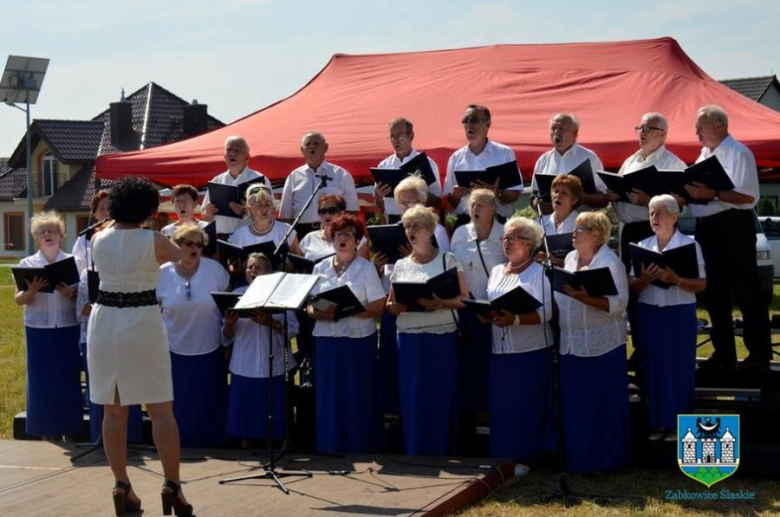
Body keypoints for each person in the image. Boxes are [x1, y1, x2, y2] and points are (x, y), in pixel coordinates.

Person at [86, 177, 192, 516]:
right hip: (141, 320)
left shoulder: (97, 238)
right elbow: (184, 259)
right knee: (160, 409)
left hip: (104, 321)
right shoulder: (154, 239)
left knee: (114, 410)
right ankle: (172, 485)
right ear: (147, 209)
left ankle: (121, 484)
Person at [685, 105, 772, 371]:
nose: (696, 131)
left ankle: (759, 354)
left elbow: (748, 197)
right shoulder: (703, 155)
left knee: (746, 289)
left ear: (719, 125)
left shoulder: (739, 153)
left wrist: (712, 194)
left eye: (701, 126)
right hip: (707, 226)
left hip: (733, 225)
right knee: (714, 293)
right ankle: (723, 353)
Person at [387, 206, 469, 455]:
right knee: (413, 397)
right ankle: (415, 449)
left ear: (430, 230)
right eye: (407, 226)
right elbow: (389, 305)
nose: (410, 231)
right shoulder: (400, 265)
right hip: (409, 341)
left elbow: (465, 299)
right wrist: (395, 307)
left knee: (439, 396)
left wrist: (442, 303)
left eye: (416, 226)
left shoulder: (448, 260)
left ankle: (442, 450)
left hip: (440, 339)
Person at [556, 211, 630, 472]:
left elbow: (620, 304)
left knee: (603, 406)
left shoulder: (610, 263)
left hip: (604, 347)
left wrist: (584, 298)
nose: (573, 233)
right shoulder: (569, 258)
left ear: (596, 234)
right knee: (577, 407)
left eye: (580, 229)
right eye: (574, 229)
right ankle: (578, 460)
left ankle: (607, 462)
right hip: (571, 345)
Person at [629, 195, 706, 441]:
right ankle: (657, 422)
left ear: (674, 216)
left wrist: (677, 280)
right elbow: (633, 286)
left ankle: (678, 424)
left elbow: (702, 284)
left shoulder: (690, 245)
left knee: (679, 367)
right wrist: (643, 280)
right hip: (649, 311)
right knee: (653, 367)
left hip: (678, 312)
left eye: (660, 213)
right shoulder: (642, 245)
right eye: (651, 213)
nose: (654, 218)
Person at [307, 214, 386, 453]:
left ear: (356, 241)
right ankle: (329, 446)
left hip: (357, 340)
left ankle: (358, 446)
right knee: (329, 395)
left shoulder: (365, 268)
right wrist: (318, 313)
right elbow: (309, 305)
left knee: (356, 393)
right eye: (339, 234)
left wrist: (347, 310)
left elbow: (379, 306)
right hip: (327, 340)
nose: (342, 238)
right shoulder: (320, 267)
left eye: (348, 235)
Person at [373, 176, 450, 418]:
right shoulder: (395, 228)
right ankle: (396, 412)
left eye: (410, 201)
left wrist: (414, 255)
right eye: (401, 203)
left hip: (426, 305)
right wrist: (378, 265)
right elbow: (387, 275)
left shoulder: (436, 229)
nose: (406, 207)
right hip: (396, 302)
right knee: (393, 363)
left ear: (424, 201)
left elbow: (443, 265)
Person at [479, 217, 553, 460]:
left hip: (529, 352)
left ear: (529, 244)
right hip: (500, 353)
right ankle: (504, 456)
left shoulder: (539, 273)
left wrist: (517, 319)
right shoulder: (497, 271)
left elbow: (547, 313)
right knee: (504, 407)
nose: (506, 242)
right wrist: (486, 315)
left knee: (526, 406)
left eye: (513, 238)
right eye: (505, 238)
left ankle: (528, 456)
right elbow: (492, 303)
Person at [157, 223, 231, 447]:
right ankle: (181, 442)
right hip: (174, 348)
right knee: (180, 400)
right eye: (189, 244)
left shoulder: (215, 270)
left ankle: (214, 442)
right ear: (177, 245)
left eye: (199, 245)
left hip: (210, 346)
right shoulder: (162, 273)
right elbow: (154, 308)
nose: (195, 249)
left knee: (210, 397)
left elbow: (227, 303)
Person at [14, 211, 83, 439]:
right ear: (37, 237)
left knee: (67, 379)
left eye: (52, 231)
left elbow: (83, 299)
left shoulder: (72, 262)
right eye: (42, 232)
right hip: (38, 330)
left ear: (61, 235)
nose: (47, 235)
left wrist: (71, 293)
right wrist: (31, 291)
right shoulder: (28, 263)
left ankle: (71, 430)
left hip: (67, 328)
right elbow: (18, 299)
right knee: (42, 382)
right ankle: (47, 433)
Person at [223, 252, 299, 446]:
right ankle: (245, 450)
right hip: (244, 365)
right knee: (245, 418)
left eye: (258, 267)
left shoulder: (281, 295)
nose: (253, 270)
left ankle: (271, 448)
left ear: (269, 273)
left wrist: (270, 322)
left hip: (272, 366)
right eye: (249, 267)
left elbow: (293, 329)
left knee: (271, 419)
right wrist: (229, 325)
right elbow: (224, 337)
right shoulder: (234, 295)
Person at [450, 189, 506, 416]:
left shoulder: (504, 234)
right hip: (464, 309)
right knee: (466, 364)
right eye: (472, 204)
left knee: (488, 363)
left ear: (493, 209)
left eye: (480, 204)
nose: (475, 209)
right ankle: (468, 412)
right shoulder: (460, 234)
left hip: (493, 310)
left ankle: (490, 410)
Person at [76, 254, 143, 444]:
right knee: (101, 390)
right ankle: (101, 439)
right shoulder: (86, 275)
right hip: (96, 337)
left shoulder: (131, 274)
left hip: (127, 337)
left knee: (129, 388)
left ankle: (132, 438)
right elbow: (82, 308)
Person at [610, 113, 687, 271]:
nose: (641, 132)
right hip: (629, 231)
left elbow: (681, 203)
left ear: (663, 133)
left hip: (657, 231)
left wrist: (648, 200)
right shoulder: (630, 161)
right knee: (631, 281)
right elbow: (618, 187)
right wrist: (613, 195)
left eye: (646, 128)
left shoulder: (674, 164)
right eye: (639, 128)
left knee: (655, 278)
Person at [443, 105, 524, 227]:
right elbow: (450, 201)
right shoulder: (455, 158)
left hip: (497, 221)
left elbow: (514, 194)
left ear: (488, 124)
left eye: (474, 120)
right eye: (465, 121)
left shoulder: (504, 153)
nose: (469, 125)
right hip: (465, 223)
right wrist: (455, 195)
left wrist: (495, 192)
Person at [280, 132, 359, 239]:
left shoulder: (341, 175)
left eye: (316, 143)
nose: (312, 146)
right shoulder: (294, 177)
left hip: (335, 232)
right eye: (308, 144)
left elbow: (352, 212)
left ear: (325, 148)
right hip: (302, 233)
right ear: (302, 150)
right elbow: (286, 216)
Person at [531, 113, 610, 213]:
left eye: (561, 128)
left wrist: (580, 197)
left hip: (580, 224)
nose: (556, 132)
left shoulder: (589, 158)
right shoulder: (543, 160)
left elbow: (604, 198)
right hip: (550, 224)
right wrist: (537, 204)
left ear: (575, 132)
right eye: (553, 128)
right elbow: (534, 196)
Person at [201, 136, 273, 238]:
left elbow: (270, 213)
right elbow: (204, 217)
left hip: (250, 238)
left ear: (247, 158)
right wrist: (209, 213)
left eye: (237, 150)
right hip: (220, 239)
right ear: (225, 157)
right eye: (229, 150)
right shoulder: (216, 181)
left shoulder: (260, 180)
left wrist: (245, 212)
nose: (232, 153)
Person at [373, 117, 442, 223]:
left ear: (411, 136)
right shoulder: (383, 166)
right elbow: (380, 208)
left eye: (399, 136)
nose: (395, 140)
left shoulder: (427, 163)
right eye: (392, 136)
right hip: (394, 219)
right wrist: (378, 197)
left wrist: (417, 192)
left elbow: (438, 201)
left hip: (420, 220)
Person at [229, 183, 301, 259]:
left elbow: (298, 263)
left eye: (267, 204)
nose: (264, 209)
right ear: (249, 209)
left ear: (273, 207)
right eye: (259, 205)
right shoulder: (239, 235)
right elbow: (236, 268)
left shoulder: (286, 230)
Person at [299, 194, 369, 260]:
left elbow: (363, 268)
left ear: (342, 213)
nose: (327, 215)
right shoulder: (309, 238)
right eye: (323, 211)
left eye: (332, 211)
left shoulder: (356, 238)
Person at [536, 174, 582, 267]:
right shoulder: (539, 222)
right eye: (556, 191)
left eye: (564, 193)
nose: (558, 196)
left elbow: (586, 262)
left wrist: (556, 261)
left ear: (574, 200)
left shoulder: (582, 224)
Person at [72, 189, 111, 273]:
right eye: (102, 209)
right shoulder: (85, 237)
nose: (107, 213)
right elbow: (77, 267)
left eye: (110, 208)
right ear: (94, 213)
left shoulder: (121, 234)